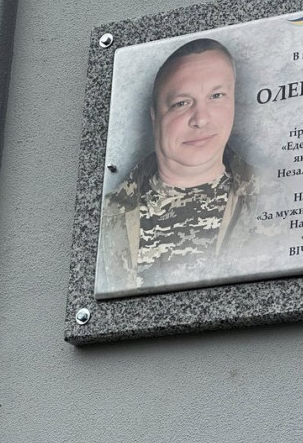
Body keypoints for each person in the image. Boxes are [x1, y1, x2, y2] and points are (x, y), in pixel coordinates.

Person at [95, 38, 259, 297]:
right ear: (155, 116)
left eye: (216, 96)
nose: (201, 119)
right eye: (181, 103)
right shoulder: (104, 217)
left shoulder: (278, 198)